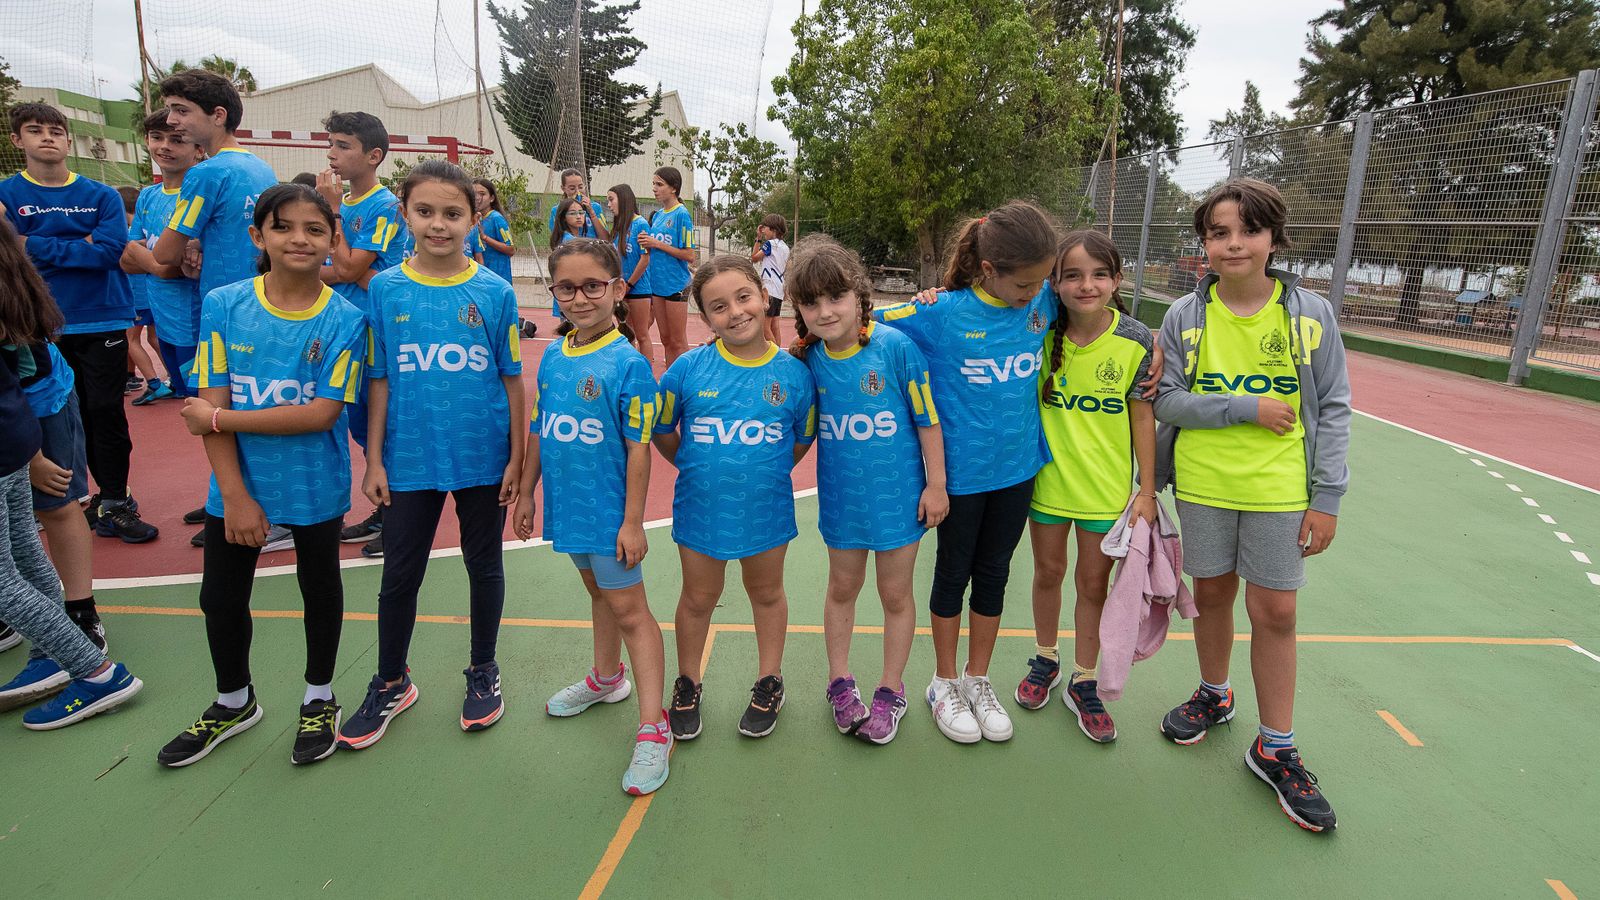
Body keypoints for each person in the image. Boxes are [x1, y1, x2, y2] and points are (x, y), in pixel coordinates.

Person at [1152, 177, 1350, 832]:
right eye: (1219, 233)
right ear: (1204, 243)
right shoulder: (1185, 316)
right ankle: (1215, 694)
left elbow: (1335, 406)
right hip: (1204, 483)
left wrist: (1327, 496)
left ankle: (1276, 746)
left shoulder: (1310, 316)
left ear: (1273, 238)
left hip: (1279, 488)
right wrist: (1243, 408)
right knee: (1212, 594)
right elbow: (1167, 401)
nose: (1234, 244)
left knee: (1277, 611)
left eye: (1248, 230)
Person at [154, 184, 365, 767]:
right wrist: (236, 495)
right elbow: (209, 404)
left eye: (315, 229)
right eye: (283, 227)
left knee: (319, 589)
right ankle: (234, 701)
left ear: (332, 239)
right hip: (237, 484)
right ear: (258, 235)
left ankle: (319, 696)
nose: (299, 239)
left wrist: (221, 418)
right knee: (220, 598)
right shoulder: (224, 304)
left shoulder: (346, 319)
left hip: (315, 483)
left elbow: (319, 413)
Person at [337, 160, 526, 750]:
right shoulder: (385, 288)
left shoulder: (494, 291)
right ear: (405, 215)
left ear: (474, 219)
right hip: (409, 457)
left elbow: (512, 380)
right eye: (425, 212)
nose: (438, 225)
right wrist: (373, 460)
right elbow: (379, 379)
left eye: (452, 213)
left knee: (484, 565)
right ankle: (392, 680)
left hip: (482, 455)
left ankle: (483, 668)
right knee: (399, 573)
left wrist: (517, 459)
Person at [872, 201, 1059, 745]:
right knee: (954, 573)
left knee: (995, 572)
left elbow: (1094, 302)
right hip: (960, 477)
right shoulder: (942, 313)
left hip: (1019, 469)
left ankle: (978, 679)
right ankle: (944, 682)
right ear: (988, 269)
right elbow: (863, 321)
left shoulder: (1043, 298)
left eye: (1041, 281)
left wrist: (1153, 350)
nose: (1034, 292)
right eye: (1023, 284)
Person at [515, 238, 670, 795]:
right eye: (566, 287)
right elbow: (540, 428)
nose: (579, 298)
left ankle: (654, 726)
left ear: (618, 289)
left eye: (592, 286)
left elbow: (638, 449)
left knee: (631, 610)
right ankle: (607, 678)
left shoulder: (629, 364)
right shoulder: (556, 355)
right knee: (598, 595)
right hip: (569, 505)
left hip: (608, 512)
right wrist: (527, 491)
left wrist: (632, 521)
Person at [786, 235, 947, 745]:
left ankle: (891, 688)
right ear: (798, 310)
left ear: (860, 295)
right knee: (842, 589)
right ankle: (839, 681)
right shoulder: (806, 361)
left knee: (895, 594)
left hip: (899, 500)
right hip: (842, 502)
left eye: (836, 297)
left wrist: (937, 485)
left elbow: (927, 420)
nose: (825, 312)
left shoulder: (895, 347)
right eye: (811, 303)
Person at [653, 255, 815, 741]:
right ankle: (688, 681)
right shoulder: (687, 369)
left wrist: (765, 471)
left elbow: (801, 439)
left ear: (764, 297)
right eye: (719, 306)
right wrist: (695, 465)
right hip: (700, 508)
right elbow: (663, 428)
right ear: (705, 318)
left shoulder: (795, 375)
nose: (736, 312)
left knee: (766, 594)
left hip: (767, 509)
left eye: (744, 297)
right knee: (697, 598)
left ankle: (770, 680)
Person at [0, 216, 143, 730]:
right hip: (16, 432)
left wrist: (33, 451)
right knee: (22, 552)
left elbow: (29, 376)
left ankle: (94, 669)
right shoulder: (12, 277)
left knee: (12, 569)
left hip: (24, 423)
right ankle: (56, 648)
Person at [1016, 229, 1156, 744]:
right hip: (1047, 483)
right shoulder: (1037, 331)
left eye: (1099, 274)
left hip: (1105, 492)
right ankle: (1046, 657)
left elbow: (1142, 418)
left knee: (1092, 585)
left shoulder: (1136, 341)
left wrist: (1147, 491)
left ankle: (1084, 677)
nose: (1086, 285)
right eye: (1072, 275)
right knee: (1048, 573)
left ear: (1117, 280)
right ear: (1054, 283)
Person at [0, 103, 156, 543]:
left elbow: (107, 253)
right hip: (34, 325)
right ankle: (53, 503)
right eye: (35, 130)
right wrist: (76, 242)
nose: (47, 137)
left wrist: (30, 243)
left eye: (55, 130)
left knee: (104, 412)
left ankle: (115, 502)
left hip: (101, 318)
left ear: (68, 140)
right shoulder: (6, 194)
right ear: (17, 140)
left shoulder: (102, 195)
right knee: (41, 415)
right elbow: (7, 256)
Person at [155, 69, 279, 541]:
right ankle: (225, 499)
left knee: (219, 408)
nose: (172, 120)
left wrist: (142, 251)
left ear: (218, 115)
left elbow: (164, 253)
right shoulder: (261, 168)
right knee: (251, 403)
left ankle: (243, 506)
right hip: (262, 302)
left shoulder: (205, 173)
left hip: (227, 310)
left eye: (181, 110)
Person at [316, 110, 408, 553]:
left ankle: (397, 517)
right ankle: (384, 508)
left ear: (374, 156)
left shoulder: (382, 205)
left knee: (381, 426)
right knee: (357, 424)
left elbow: (349, 268)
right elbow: (332, 269)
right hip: (344, 326)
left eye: (343, 146)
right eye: (330, 145)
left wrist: (333, 212)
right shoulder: (343, 203)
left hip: (377, 327)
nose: (332, 155)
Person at [122, 109, 204, 411]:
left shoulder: (201, 194)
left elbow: (179, 268)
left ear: (198, 149)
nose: (165, 146)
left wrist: (147, 257)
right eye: (157, 137)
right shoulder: (148, 196)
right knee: (187, 405)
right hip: (163, 321)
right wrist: (159, 263)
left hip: (194, 325)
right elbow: (127, 259)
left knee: (204, 407)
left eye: (176, 139)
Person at [639, 166, 697, 366]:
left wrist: (657, 244)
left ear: (674, 188)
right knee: (665, 339)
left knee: (677, 341)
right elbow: (654, 248)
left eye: (659, 184)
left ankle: (685, 379)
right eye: (653, 184)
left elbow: (690, 255)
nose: (654, 189)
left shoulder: (682, 215)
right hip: (657, 284)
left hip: (676, 284)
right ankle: (670, 378)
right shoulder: (657, 216)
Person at [116, 184, 166, 404]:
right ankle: (175, 376)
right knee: (154, 338)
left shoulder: (129, 237)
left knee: (131, 340)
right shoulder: (149, 231)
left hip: (136, 298)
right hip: (152, 295)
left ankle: (154, 382)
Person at [606, 184, 653, 365]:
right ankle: (630, 370)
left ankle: (646, 374)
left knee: (642, 334)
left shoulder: (640, 224)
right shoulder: (618, 227)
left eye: (611, 200)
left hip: (638, 289)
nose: (609, 205)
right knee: (626, 334)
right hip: (621, 290)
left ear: (623, 199)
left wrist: (629, 284)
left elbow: (645, 259)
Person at [751, 213, 790, 347]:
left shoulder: (770, 244)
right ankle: (779, 351)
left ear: (773, 229)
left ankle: (775, 354)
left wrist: (758, 238)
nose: (763, 231)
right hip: (779, 288)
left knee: (764, 326)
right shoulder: (785, 247)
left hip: (770, 288)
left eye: (765, 228)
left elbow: (754, 258)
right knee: (775, 325)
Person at [472, 178, 515, 284]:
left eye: (482, 194)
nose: (477, 198)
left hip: (498, 277)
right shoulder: (475, 218)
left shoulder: (496, 218)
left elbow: (511, 249)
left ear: (491, 198)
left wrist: (485, 238)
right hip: (481, 276)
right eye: (474, 194)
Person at [545, 168, 608, 240]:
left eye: (580, 187)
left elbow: (606, 238)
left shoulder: (595, 207)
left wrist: (592, 213)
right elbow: (556, 239)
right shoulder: (557, 210)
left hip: (594, 246)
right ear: (563, 188)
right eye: (572, 188)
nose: (578, 192)